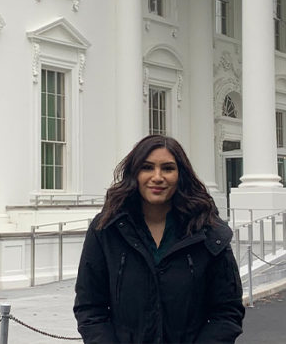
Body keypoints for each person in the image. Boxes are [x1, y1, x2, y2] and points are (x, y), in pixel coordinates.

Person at [73, 135, 245, 343]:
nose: (157, 177)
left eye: (167, 168)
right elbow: (90, 308)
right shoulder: (106, 229)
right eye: (147, 167)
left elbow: (227, 312)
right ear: (135, 173)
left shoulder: (209, 231)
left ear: (180, 174)